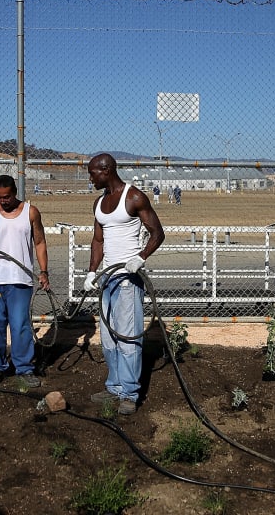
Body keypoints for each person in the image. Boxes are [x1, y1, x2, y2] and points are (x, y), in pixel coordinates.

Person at [84, 153, 165, 415]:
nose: (90, 178)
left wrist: (140, 258)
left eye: (92, 173)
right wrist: (91, 272)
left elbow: (157, 232)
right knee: (108, 337)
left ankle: (130, 393)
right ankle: (115, 386)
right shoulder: (99, 203)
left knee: (128, 337)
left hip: (128, 278)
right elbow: (98, 240)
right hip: (107, 277)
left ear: (105, 170)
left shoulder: (134, 197)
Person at [0, 174, 50, 387]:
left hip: (20, 279)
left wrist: (43, 271)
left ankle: (24, 368)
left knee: (20, 325)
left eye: (6, 197)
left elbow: (40, 242)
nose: (3, 201)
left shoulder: (31, 212)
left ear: (15, 193)